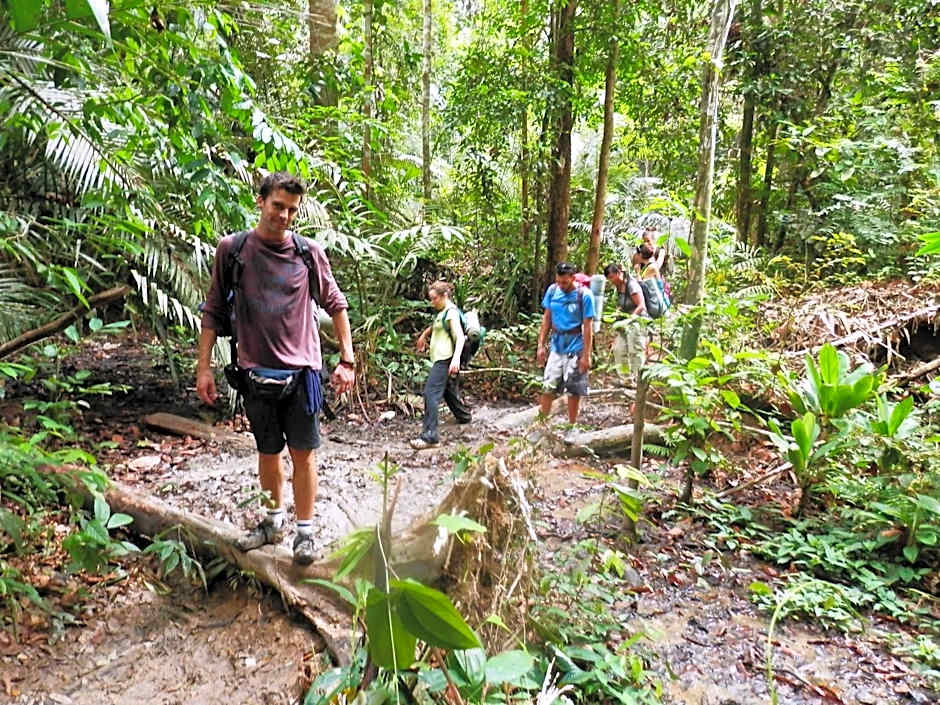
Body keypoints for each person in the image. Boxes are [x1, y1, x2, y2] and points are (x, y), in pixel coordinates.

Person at [196, 172, 356, 566]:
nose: (284, 216)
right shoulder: (233, 250)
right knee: (267, 451)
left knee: (303, 453)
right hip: (253, 372)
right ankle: (273, 521)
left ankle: (304, 532)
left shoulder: (307, 253)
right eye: (278, 206)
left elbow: (336, 304)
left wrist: (347, 360)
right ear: (260, 202)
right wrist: (204, 368)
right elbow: (213, 310)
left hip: (302, 374)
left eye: (292, 210)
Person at [411, 281, 472, 449]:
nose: (432, 302)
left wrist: (455, 359)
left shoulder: (451, 313)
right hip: (442, 359)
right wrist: (424, 335)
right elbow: (436, 325)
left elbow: (459, 337)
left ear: (445, 296)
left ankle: (430, 436)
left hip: (445, 359)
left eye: (434, 298)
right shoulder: (443, 312)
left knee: (430, 393)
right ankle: (464, 417)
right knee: (447, 392)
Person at [536, 262, 595, 424]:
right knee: (548, 386)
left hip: (575, 347)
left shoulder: (585, 295)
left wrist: (586, 356)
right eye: (559, 281)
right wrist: (541, 345)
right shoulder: (553, 291)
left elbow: (588, 327)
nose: (561, 285)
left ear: (573, 278)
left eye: (565, 282)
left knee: (573, 391)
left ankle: (572, 425)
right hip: (556, 346)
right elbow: (547, 318)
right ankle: (542, 424)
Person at [603, 262, 648, 382]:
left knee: (635, 350)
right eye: (609, 279)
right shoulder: (619, 286)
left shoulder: (632, 285)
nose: (611, 280)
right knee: (618, 349)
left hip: (636, 320)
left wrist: (629, 319)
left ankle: (639, 380)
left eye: (612, 277)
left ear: (619, 273)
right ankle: (626, 379)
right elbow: (622, 304)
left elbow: (641, 306)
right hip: (624, 321)